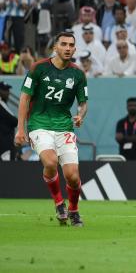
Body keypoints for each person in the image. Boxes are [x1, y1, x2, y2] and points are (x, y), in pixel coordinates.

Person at [14, 32, 88, 227]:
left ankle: (74, 210)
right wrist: (21, 129)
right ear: (55, 47)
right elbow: (24, 98)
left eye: (71, 45)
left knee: (72, 176)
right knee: (50, 161)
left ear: (75, 49)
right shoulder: (38, 68)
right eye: (63, 44)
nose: (67, 48)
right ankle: (58, 203)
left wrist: (81, 114)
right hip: (39, 124)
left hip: (64, 127)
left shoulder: (78, 74)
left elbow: (83, 102)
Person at [0, 82, 18, 161]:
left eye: (8, 90)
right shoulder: (1, 104)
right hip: (4, 145)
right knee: (7, 170)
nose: (8, 92)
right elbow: (14, 121)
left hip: (7, 144)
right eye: (5, 90)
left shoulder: (3, 103)